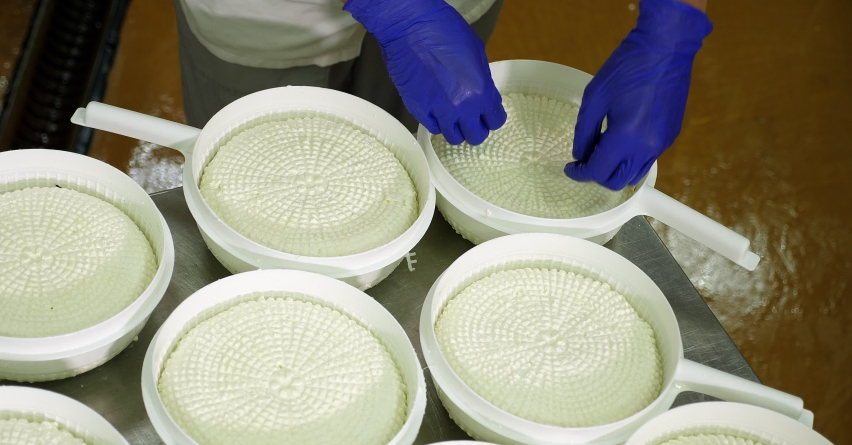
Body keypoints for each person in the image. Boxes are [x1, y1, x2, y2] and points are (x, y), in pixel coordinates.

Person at [174, 0, 712, 191]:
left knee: (395, 163)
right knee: (260, 176)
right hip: (273, 15)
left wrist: (669, 27)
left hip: (453, 8)